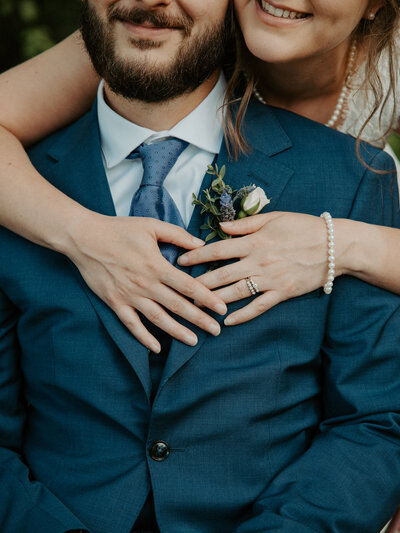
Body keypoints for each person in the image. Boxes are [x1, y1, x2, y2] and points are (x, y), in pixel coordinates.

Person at [1, 1, 400, 532]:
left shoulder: (351, 175)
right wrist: (81, 234)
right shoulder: (21, 182)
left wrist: (339, 242)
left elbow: (371, 422)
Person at [0, 1, 400, 348]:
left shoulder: (392, 63)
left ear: (376, 4)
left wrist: (341, 244)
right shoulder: (171, 28)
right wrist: (84, 236)